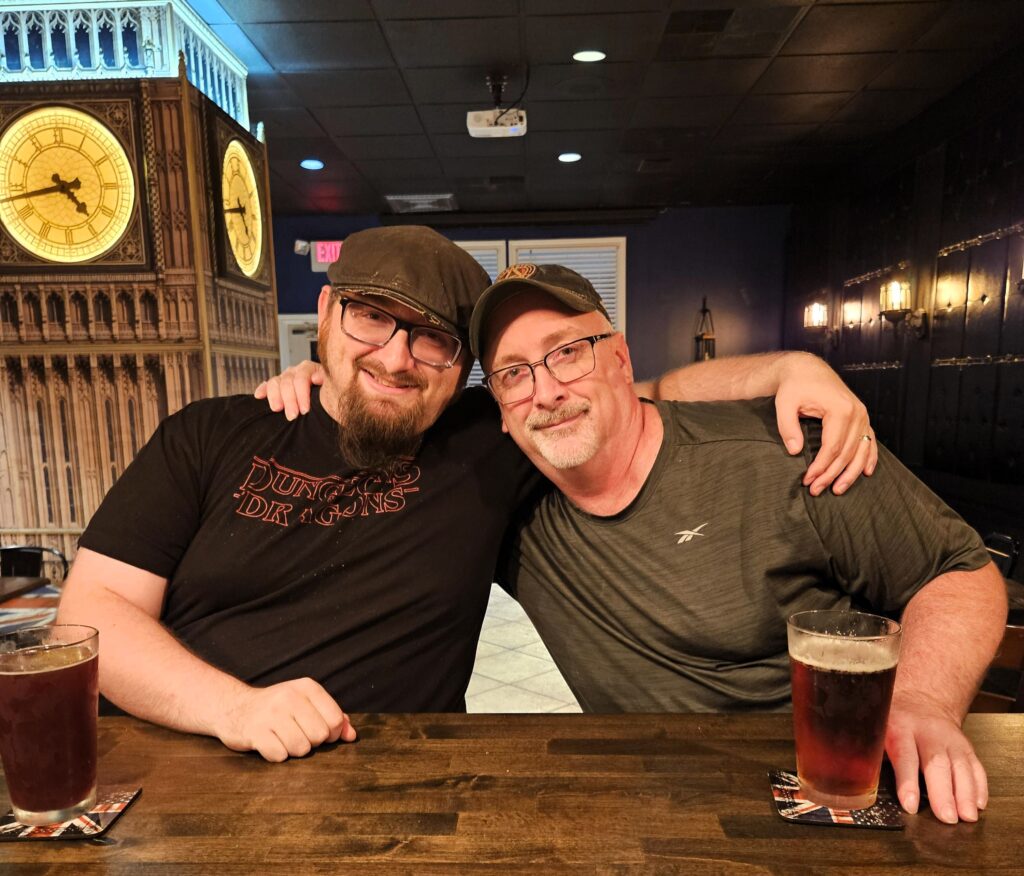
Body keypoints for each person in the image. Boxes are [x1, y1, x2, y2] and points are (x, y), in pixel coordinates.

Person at [58, 226, 874, 767]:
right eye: (371, 320)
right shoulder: (210, 434)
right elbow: (90, 620)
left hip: (388, 778)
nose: (395, 357)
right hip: (175, 756)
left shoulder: (496, 435)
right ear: (327, 313)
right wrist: (233, 710)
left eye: (433, 338)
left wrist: (787, 368)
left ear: (463, 368)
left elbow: (643, 388)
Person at [463, 263, 1007, 827]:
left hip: (838, 801)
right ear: (500, 409)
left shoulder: (790, 453)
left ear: (621, 360)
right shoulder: (503, 504)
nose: (546, 391)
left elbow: (958, 570)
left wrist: (924, 700)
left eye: (568, 352)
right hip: (659, 817)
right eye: (513, 373)